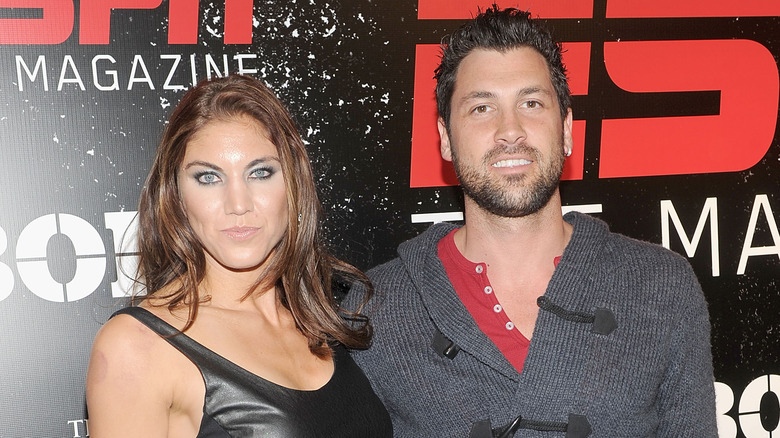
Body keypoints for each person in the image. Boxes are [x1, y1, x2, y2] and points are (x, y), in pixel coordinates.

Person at [345, 6, 717, 437]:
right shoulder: (370, 310)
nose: (511, 129)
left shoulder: (662, 285)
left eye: (531, 103)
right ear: (446, 138)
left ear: (567, 130)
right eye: (482, 108)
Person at [86, 74, 392, 437]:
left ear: (293, 183)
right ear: (176, 196)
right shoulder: (137, 347)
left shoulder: (325, 321)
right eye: (209, 178)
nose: (238, 204)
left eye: (260, 173)